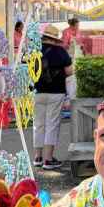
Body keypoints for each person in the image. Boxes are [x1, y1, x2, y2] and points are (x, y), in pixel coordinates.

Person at [32, 24, 74, 171]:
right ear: (55, 39)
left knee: (38, 124)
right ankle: (48, 159)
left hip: (36, 92)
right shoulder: (61, 52)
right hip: (56, 92)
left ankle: (37, 157)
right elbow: (69, 72)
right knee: (52, 124)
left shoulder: (34, 51)